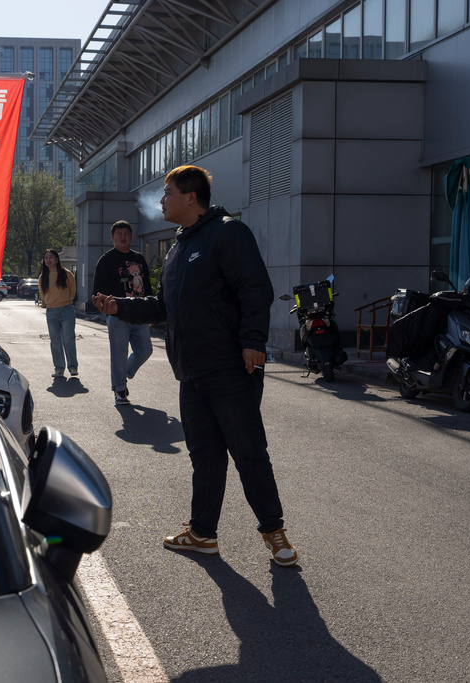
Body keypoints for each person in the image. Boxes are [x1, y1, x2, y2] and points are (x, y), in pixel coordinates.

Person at [92, 165, 297, 567]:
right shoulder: (178, 248)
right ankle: (203, 533)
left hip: (230, 367)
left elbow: (255, 289)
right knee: (205, 455)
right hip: (192, 372)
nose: (162, 199)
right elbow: (164, 307)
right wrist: (121, 307)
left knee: (248, 451)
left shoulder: (228, 233)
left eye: (167, 192)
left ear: (191, 196)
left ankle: (276, 534)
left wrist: (253, 342)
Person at [93, 220, 154, 405]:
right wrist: (104, 307)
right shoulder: (106, 260)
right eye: (119, 233)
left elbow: (148, 287)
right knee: (118, 353)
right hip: (118, 315)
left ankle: (123, 374)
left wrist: (151, 311)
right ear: (112, 237)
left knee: (145, 350)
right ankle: (120, 390)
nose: (123, 237)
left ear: (131, 236)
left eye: (126, 233)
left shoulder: (139, 258)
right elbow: (98, 290)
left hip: (139, 312)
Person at [39, 248, 78, 378]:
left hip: (67, 310)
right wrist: (50, 303)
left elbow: (73, 290)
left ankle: (72, 367)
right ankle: (59, 368)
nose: (48, 260)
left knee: (68, 339)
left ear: (56, 259)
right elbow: (42, 294)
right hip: (51, 311)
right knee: (55, 341)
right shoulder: (43, 277)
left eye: (51, 257)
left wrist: (66, 301)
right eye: (46, 258)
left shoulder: (66, 274)